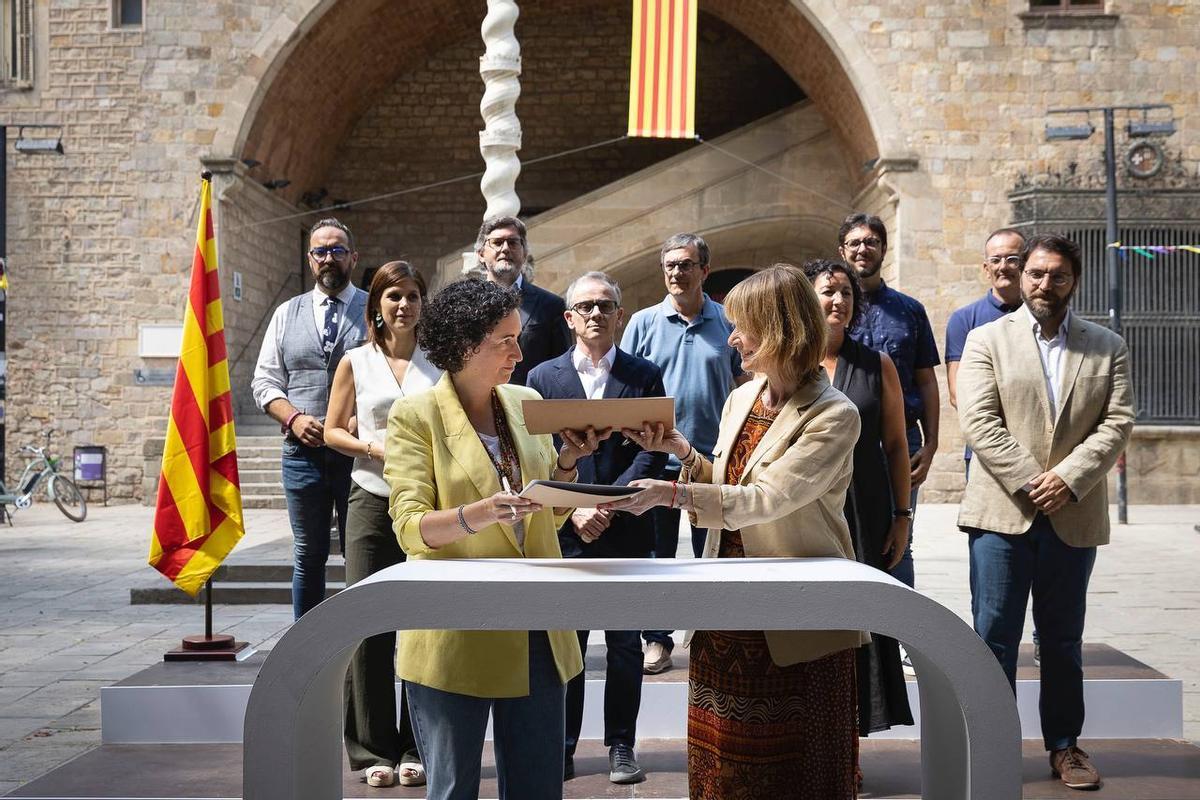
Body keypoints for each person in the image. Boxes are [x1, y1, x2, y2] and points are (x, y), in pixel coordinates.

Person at [603, 263, 867, 799]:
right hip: (727, 611)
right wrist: (678, 452)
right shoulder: (742, 397)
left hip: (794, 615)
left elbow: (765, 501)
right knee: (722, 764)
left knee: (798, 769)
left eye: (742, 324)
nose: (732, 337)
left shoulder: (834, 414)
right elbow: (725, 478)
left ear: (779, 328)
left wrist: (669, 496)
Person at [385, 277, 604, 800]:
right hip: (456, 631)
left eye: (517, 337)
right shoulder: (416, 415)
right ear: (464, 344)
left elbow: (543, 522)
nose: (519, 351)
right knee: (454, 788)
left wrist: (568, 467)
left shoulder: (526, 400)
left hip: (536, 628)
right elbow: (410, 528)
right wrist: (480, 514)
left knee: (537, 789)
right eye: (505, 340)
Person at [957, 234, 1135, 791]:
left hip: (1073, 514)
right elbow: (979, 422)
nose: (1043, 284)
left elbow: (1119, 420)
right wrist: (1035, 481)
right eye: (1035, 273)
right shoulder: (986, 339)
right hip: (1002, 514)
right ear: (1019, 274)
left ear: (1072, 281)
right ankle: (992, 744)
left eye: (1057, 275)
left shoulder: (1107, 346)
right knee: (993, 639)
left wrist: (1069, 479)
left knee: (1062, 641)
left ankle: (1066, 747)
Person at [526, 271, 667, 785]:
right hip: (565, 527)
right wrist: (576, 508)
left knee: (626, 643)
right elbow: (538, 455)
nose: (595, 314)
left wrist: (608, 504)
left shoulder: (644, 375)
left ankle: (621, 746)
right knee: (570, 642)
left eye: (606, 306)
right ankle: (563, 745)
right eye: (585, 306)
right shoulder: (542, 378)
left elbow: (653, 449)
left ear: (620, 316)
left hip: (625, 524)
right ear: (568, 318)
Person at [324, 262, 440, 788]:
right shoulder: (355, 361)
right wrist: (374, 445)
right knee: (369, 626)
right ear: (377, 304)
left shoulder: (439, 361)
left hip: (428, 503)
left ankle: (418, 742)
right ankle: (372, 751)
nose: (405, 305)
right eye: (394, 295)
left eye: (413, 295)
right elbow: (331, 431)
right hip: (370, 499)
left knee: (423, 624)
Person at [621, 232, 747, 675]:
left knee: (711, 554)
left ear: (704, 271)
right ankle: (656, 639)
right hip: (655, 462)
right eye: (670, 265)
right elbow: (628, 388)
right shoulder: (642, 322)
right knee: (654, 558)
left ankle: (712, 639)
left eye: (686, 264)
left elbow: (743, 385)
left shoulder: (728, 322)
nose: (677, 272)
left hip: (710, 463)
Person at [804, 258, 914, 745]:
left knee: (860, 625)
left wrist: (902, 516)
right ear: (808, 298)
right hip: (808, 513)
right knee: (814, 624)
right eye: (828, 291)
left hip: (865, 512)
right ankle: (813, 734)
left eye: (847, 293)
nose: (838, 301)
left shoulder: (877, 365)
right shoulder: (790, 362)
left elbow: (896, 445)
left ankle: (850, 741)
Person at [251, 217, 368, 619]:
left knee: (361, 553)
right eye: (321, 251)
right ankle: (306, 646)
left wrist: (359, 420)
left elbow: (394, 373)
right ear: (310, 259)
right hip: (302, 455)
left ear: (353, 256)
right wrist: (293, 418)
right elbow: (265, 382)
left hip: (359, 457)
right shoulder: (287, 313)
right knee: (308, 554)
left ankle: (360, 646)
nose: (329, 258)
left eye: (337, 250)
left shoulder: (375, 308)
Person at [475, 215, 571, 385]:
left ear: (525, 253)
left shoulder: (551, 306)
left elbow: (561, 369)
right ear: (481, 254)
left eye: (513, 243)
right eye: (497, 242)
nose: (505, 248)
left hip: (530, 405)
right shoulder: (467, 304)